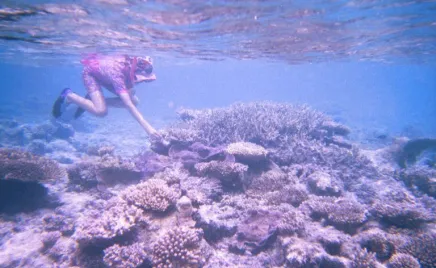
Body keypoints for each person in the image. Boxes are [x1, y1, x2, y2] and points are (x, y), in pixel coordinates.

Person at [52, 54, 161, 140]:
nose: (140, 81)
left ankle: (91, 101)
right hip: (92, 74)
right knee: (101, 111)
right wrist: (149, 129)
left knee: (134, 100)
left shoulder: (129, 66)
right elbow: (128, 105)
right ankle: (69, 96)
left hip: (106, 75)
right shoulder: (117, 74)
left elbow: (131, 98)